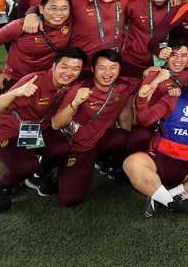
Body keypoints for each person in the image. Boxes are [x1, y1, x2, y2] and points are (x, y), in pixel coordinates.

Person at [0, 47, 87, 214]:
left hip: (39, 128)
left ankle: (39, 175)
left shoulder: (73, 86)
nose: (69, 72)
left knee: (62, 149)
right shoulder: (34, 81)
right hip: (5, 132)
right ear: (53, 66)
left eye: (76, 68)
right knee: (25, 166)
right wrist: (16, 92)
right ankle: (2, 188)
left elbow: (56, 123)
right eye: (64, 66)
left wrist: (75, 102)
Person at [124, 59, 188, 217]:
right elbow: (145, 119)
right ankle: (172, 203)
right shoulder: (174, 97)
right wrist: (142, 99)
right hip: (162, 157)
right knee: (131, 162)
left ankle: (161, 197)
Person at [52, 50, 137, 207]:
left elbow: (145, 81)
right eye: (102, 67)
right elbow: (56, 123)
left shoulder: (124, 85)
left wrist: (154, 74)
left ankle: (116, 167)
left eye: (113, 67)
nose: (107, 72)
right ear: (92, 69)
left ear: (119, 69)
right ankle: (64, 166)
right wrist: (75, 103)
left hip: (103, 139)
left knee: (123, 136)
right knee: (70, 199)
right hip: (80, 147)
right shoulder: (78, 88)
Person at [0, 0, 72, 94]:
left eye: (64, 9)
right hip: (17, 81)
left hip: (48, 81)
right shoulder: (20, 26)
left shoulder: (70, 23)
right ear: (41, 9)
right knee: (4, 109)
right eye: (53, 8)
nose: (59, 13)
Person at [125, 40, 188, 155]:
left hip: (174, 121)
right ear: (166, 57)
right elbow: (137, 103)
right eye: (173, 55)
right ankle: (130, 159)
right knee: (140, 136)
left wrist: (181, 90)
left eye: (183, 56)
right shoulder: (154, 73)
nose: (178, 60)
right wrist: (156, 81)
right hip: (150, 119)